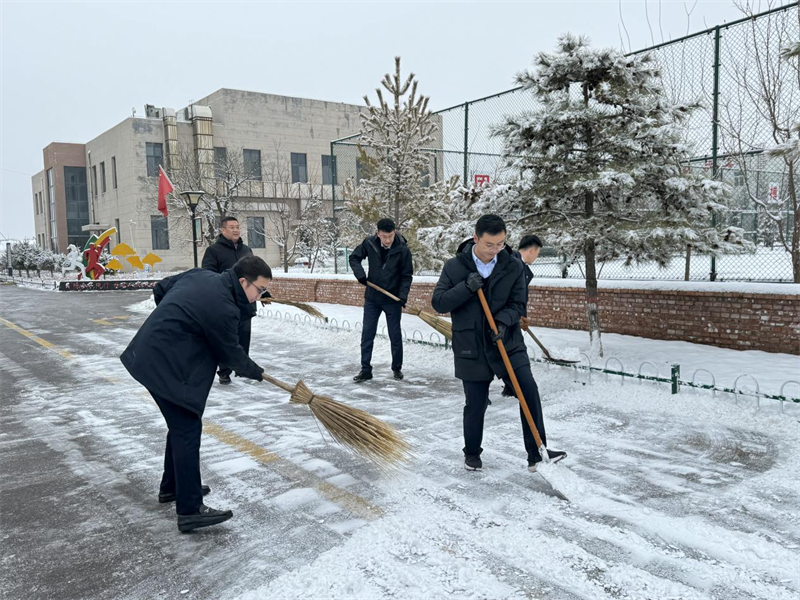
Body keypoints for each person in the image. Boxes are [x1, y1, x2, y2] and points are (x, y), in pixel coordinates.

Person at [120, 256, 271, 532]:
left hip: (149, 353)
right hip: (161, 363)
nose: (260, 296)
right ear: (242, 282)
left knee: (180, 425)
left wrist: (176, 325)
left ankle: (173, 486)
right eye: (259, 290)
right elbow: (231, 355)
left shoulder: (200, 276)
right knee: (187, 427)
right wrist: (256, 371)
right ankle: (190, 510)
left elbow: (161, 289)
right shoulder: (223, 307)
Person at [431, 215, 566, 473]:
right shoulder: (455, 268)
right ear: (476, 239)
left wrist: (503, 322)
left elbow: (518, 304)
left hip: (507, 341)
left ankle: (537, 453)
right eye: (490, 245)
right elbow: (439, 303)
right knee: (476, 403)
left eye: (501, 244)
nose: (495, 250)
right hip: (472, 345)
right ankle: (472, 452)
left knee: (528, 390)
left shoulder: (512, 266)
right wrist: (466, 288)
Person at [349, 218, 413, 382]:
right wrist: (360, 275)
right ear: (378, 234)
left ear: (394, 232)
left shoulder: (402, 249)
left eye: (390, 236)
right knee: (367, 334)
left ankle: (397, 368)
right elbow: (354, 258)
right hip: (372, 298)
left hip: (392, 300)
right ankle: (365, 369)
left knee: (395, 335)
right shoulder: (369, 243)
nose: (387, 240)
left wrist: (402, 296)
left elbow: (406, 276)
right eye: (384, 236)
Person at [202, 216, 256, 385]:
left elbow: (255, 273)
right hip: (225, 302)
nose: (235, 230)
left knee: (243, 336)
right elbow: (208, 275)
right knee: (226, 337)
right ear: (223, 230)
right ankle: (224, 371)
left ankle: (242, 368)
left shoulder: (246, 250)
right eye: (231, 227)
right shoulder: (214, 251)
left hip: (245, 303)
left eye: (237, 226)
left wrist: (263, 292)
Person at [502, 234, 543, 397]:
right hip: (504, 318)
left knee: (510, 352)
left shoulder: (523, 269)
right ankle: (511, 386)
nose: (537, 256)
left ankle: (511, 386)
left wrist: (523, 316)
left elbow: (520, 296)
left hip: (513, 317)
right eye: (538, 252)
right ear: (532, 250)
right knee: (507, 353)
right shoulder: (511, 263)